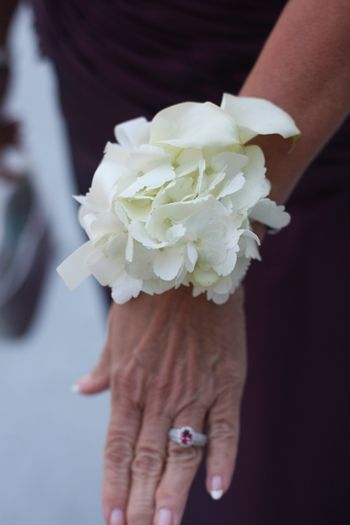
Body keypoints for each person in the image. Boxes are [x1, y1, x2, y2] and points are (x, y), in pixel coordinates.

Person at [5, 1, 350, 524]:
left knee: (276, 454)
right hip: (106, 60)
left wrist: (192, 271)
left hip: (301, 82)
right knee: (159, 386)